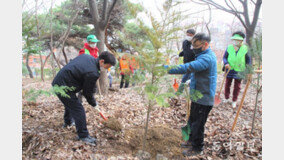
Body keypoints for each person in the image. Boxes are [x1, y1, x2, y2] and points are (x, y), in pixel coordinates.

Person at [164, 33, 217, 156]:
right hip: (197, 95)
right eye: (192, 45)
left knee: (198, 124)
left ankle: (197, 148)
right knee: (192, 120)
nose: (193, 48)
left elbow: (189, 67)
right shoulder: (202, 55)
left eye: (196, 45)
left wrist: (167, 69)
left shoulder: (207, 58)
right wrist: (191, 81)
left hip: (204, 98)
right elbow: (196, 71)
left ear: (205, 45)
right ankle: (191, 141)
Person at [52, 51, 116, 144]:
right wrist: (94, 103)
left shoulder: (87, 57)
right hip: (63, 86)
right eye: (108, 66)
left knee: (71, 103)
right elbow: (87, 92)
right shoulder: (93, 72)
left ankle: (68, 122)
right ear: (102, 61)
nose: (107, 69)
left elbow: (89, 83)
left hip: (61, 81)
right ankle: (83, 136)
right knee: (79, 109)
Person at [222, 31, 251, 108]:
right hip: (229, 69)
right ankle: (226, 98)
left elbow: (248, 60)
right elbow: (225, 57)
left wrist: (248, 70)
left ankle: (234, 100)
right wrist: (226, 63)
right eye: (234, 39)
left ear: (241, 40)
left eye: (238, 40)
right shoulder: (229, 47)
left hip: (240, 70)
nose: (236, 41)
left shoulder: (245, 49)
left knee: (237, 86)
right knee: (227, 84)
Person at [77, 34, 100, 102]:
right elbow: (80, 62)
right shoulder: (83, 51)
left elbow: (98, 61)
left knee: (93, 88)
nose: (94, 44)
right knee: (82, 87)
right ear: (88, 42)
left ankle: (91, 100)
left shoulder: (96, 51)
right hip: (85, 72)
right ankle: (80, 100)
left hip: (93, 73)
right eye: (92, 42)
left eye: (95, 42)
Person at [176, 29, 196, 95]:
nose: (188, 36)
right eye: (187, 35)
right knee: (187, 80)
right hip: (185, 63)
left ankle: (179, 93)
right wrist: (178, 55)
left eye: (190, 35)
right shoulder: (185, 42)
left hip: (193, 64)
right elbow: (185, 51)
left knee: (185, 79)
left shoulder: (196, 43)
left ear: (193, 35)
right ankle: (187, 94)